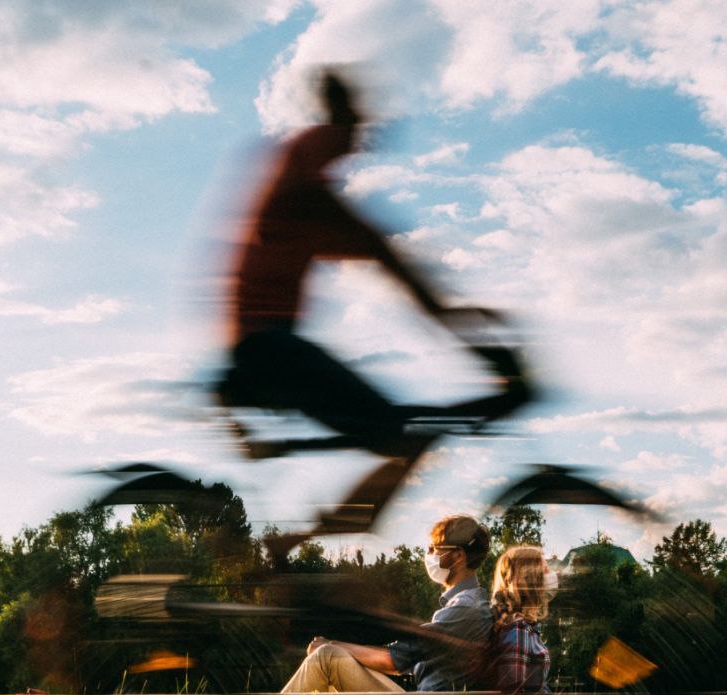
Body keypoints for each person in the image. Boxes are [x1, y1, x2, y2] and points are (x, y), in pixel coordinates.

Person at [221, 70, 528, 553]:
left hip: (257, 347)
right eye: (356, 126)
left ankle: (301, 541)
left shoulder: (291, 171)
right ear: (339, 122)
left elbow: (387, 259)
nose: (362, 139)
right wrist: (485, 347)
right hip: (270, 348)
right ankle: (300, 546)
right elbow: (394, 262)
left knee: (402, 433)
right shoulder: (306, 189)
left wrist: (463, 322)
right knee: (404, 438)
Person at [281, 514, 493, 693]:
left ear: (458, 556)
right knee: (331, 659)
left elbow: (395, 660)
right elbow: (406, 654)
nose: (429, 555)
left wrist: (332, 644)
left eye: (435, 549)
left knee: (326, 656)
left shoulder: (465, 609)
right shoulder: (467, 604)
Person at [489, 545, 553, 694]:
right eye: (545, 569)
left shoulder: (525, 627)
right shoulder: (518, 629)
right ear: (531, 581)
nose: (550, 574)